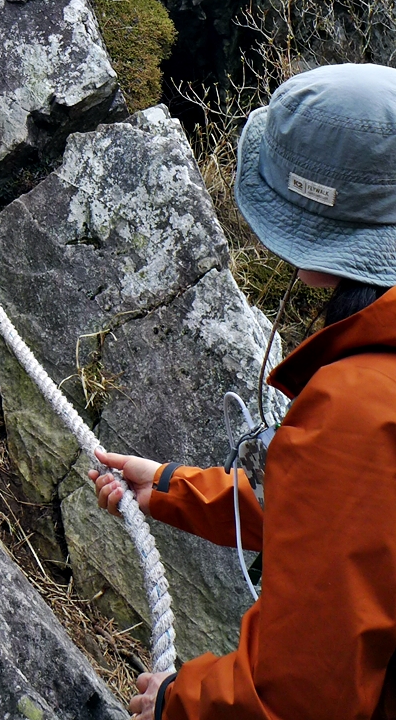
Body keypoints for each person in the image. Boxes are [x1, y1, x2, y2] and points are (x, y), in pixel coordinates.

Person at [89, 62, 396, 720]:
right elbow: (361, 528)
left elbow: (300, 693)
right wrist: (171, 488)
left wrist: (180, 700)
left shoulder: (359, 404)